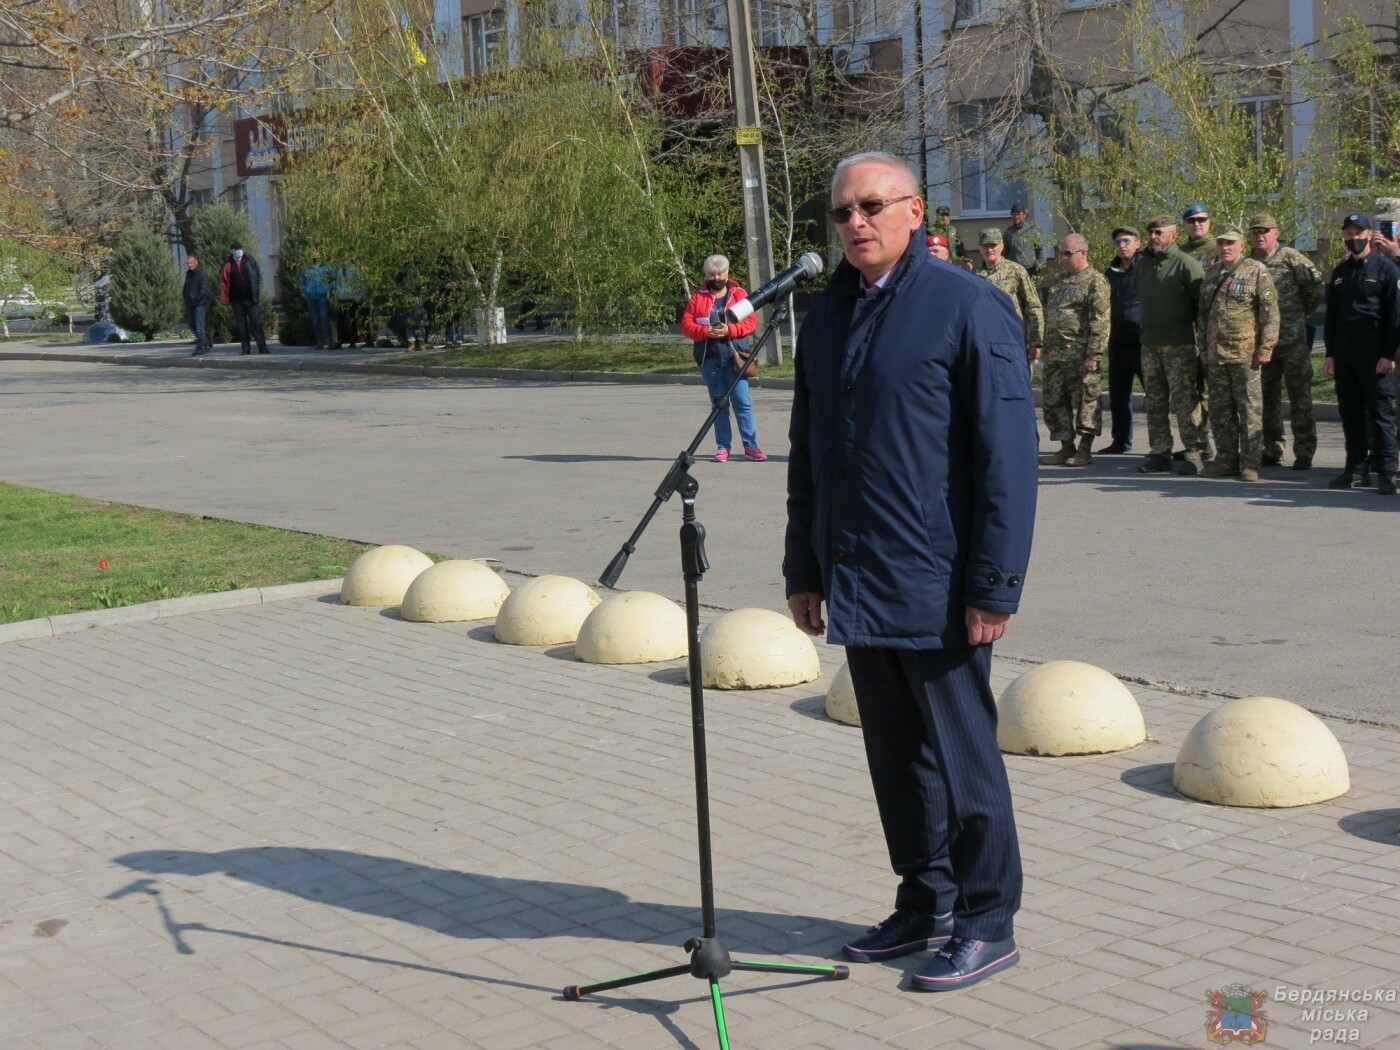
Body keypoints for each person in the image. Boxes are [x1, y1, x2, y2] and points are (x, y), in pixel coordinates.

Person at [785, 151, 1036, 992]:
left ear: (915, 210)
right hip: (858, 577)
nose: (856, 223)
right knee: (895, 761)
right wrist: (804, 568)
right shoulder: (826, 319)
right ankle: (923, 901)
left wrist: (993, 586)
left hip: (940, 584)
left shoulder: (970, 307)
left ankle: (987, 919)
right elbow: (808, 459)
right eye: (842, 212)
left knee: (965, 764)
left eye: (872, 207)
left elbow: (1007, 460)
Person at [1323, 213, 1400, 494]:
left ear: (1370, 235)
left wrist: (1388, 354)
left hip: (1375, 352)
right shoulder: (1340, 272)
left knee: (1381, 414)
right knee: (1351, 414)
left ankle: (1387, 472)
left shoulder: (1387, 270)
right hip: (1345, 353)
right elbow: (1331, 317)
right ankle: (1355, 469)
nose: (1354, 238)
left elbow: (1395, 317)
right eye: (1349, 233)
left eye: (1359, 233)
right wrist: (1330, 354)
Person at [1197, 227, 1279, 482]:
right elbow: (1202, 315)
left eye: (1230, 243)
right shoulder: (1211, 274)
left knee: (1249, 410)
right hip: (1217, 355)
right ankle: (1226, 459)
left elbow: (1270, 313)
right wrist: (1203, 349)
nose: (1225, 248)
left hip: (1245, 354)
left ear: (1242, 245)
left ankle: (1250, 463)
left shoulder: (1255, 270)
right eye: (1221, 243)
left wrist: (1266, 348)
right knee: (1221, 411)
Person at [1249, 213, 1325, 470]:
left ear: (1276, 233)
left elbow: (1315, 290)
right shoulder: (1248, 263)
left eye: (1265, 230)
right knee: (1267, 399)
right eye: (1255, 231)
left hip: (1292, 341)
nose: (1260, 235)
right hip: (1262, 344)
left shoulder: (1291, 258)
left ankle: (1304, 450)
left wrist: (1297, 314)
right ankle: (1273, 448)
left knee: (1299, 397)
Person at [679, 254, 766, 462]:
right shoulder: (698, 298)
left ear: (727, 273)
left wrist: (730, 330)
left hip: (735, 357)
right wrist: (705, 331)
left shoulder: (739, 294)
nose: (716, 277)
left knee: (742, 402)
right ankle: (723, 447)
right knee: (719, 404)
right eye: (712, 274)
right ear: (707, 275)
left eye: (720, 273)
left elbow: (750, 322)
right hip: (710, 359)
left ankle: (750, 445)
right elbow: (686, 326)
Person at [1135, 215, 1205, 473]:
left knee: (1185, 401)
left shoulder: (1187, 264)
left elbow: (1202, 309)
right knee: (1155, 402)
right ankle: (1160, 452)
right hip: (1150, 344)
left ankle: (1194, 451)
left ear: (1173, 236)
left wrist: (1203, 346)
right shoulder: (1143, 266)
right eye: (1151, 232)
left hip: (1180, 346)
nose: (1153, 237)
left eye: (1158, 232)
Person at [1040, 233, 1111, 466]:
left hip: (1080, 356)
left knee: (1086, 404)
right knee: (1054, 402)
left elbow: (1100, 321)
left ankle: (1084, 449)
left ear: (1083, 253)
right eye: (1062, 253)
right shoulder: (1060, 282)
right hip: (1056, 356)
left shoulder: (1095, 281)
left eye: (1068, 253)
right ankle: (1066, 447)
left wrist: (1094, 354)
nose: (1064, 258)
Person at [1101, 226, 1143, 453]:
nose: (1122, 246)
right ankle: (1121, 440)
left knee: (1154, 394)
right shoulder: (1112, 271)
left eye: (1126, 241)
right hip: (1117, 340)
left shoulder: (1146, 266)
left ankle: (1161, 444)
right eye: (1118, 242)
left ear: (1138, 243)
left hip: (1141, 339)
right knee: (1118, 394)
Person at [976, 228, 1043, 361]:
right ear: (980, 249)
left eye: (993, 245)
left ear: (1001, 246)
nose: (989, 250)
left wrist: (1036, 341)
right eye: (985, 246)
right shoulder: (974, 275)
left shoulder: (1015, 270)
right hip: (985, 340)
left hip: (1012, 338)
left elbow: (1033, 305)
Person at [218, 242, 269, 355]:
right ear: (231, 251)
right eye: (235, 249)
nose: (238, 251)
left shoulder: (249, 260)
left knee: (256, 324)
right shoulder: (228, 265)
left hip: (250, 299)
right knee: (242, 326)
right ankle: (245, 349)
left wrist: (255, 293)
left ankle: (262, 348)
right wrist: (225, 298)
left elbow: (257, 275)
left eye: (239, 248)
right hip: (237, 300)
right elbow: (225, 282)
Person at [298, 252, 335, 350]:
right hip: (311, 297)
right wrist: (304, 291)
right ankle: (319, 341)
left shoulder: (326, 267)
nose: (315, 258)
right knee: (315, 320)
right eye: (313, 256)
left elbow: (333, 279)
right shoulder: (306, 269)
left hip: (323, 296)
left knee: (324, 317)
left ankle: (329, 340)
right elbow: (302, 281)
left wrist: (329, 287)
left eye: (317, 256)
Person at [1003, 202, 1045, 275]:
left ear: (1024, 215)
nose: (1016, 217)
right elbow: (1004, 251)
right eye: (1014, 214)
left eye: (1019, 214)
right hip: (1013, 271)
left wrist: (1038, 267)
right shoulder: (1008, 232)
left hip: (1030, 269)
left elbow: (1041, 250)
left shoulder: (1033, 230)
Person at [182, 255, 210, 357]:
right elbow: (186, 287)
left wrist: (197, 299)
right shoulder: (188, 274)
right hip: (190, 304)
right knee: (192, 325)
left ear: (196, 263)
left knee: (199, 326)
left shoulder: (201, 274)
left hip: (199, 304)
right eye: (188, 263)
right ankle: (206, 342)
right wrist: (185, 297)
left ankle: (200, 347)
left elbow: (204, 289)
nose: (189, 265)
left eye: (191, 263)